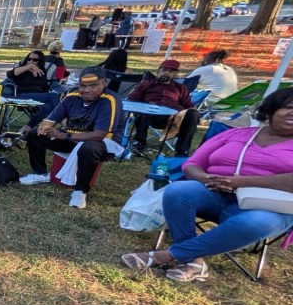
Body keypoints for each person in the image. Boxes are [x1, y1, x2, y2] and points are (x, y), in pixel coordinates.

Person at [121, 89, 293, 282]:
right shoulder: (236, 134)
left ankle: (169, 255)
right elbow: (191, 164)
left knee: (255, 222)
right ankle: (194, 261)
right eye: (288, 107)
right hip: (215, 193)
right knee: (179, 190)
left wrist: (242, 182)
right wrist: (205, 178)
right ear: (270, 110)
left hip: (268, 206)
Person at [19, 66, 124, 209]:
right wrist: (44, 127)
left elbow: (100, 134)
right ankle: (40, 173)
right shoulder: (72, 96)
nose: (87, 90)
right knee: (35, 133)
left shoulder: (110, 100)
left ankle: (80, 191)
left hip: (103, 143)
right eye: (83, 86)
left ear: (103, 83)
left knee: (89, 147)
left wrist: (64, 135)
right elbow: (51, 119)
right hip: (71, 138)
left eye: (93, 85)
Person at [128, 59, 199, 156]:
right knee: (143, 113)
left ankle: (181, 151)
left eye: (171, 71)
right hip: (150, 115)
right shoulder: (145, 84)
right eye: (164, 70)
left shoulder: (181, 88)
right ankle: (140, 144)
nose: (166, 73)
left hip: (173, 118)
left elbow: (188, 104)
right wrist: (146, 105)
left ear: (175, 74)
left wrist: (193, 111)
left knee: (193, 114)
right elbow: (132, 99)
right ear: (159, 71)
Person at [3, 50, 60, 134]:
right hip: (21, 95)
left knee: (47, 107)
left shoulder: (42, 71)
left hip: (38, 96)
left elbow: (43, 86)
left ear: (40, 61)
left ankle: (27, 128)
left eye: (35, 60)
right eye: (29, 59)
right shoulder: (21, 69)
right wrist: (28, 67)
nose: (31, 61)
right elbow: (9, 74)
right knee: (53, 96)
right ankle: (64, 121)